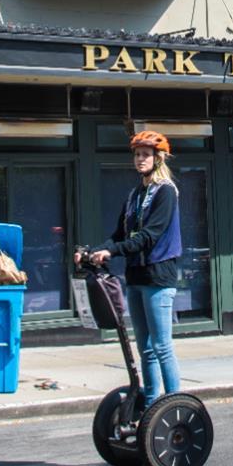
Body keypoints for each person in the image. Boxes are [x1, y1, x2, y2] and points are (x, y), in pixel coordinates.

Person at [80, 130, 183, 407]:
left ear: (158, 159)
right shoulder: (135, 195)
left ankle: (174, 404)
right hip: (135, 276)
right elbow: (120, 234)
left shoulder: (166, 193)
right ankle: (151, 405)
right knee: (145, 349)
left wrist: (112, 251)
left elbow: (149, 235)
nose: (140, 159)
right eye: (137, 155)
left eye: (146, 155)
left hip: (158, 277)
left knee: (162, 347)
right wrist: (94, 252)